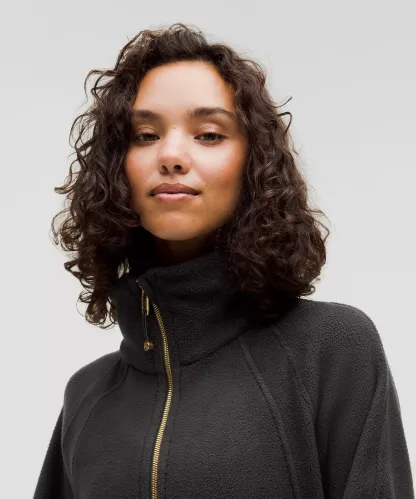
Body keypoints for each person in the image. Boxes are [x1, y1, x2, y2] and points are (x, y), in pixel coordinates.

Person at [34, 22, 414, 499]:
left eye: (209, 134)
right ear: (117, 168)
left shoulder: (331, 349)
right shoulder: (87, 396)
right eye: (145, 135)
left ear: (253, 165)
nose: (172, 155)